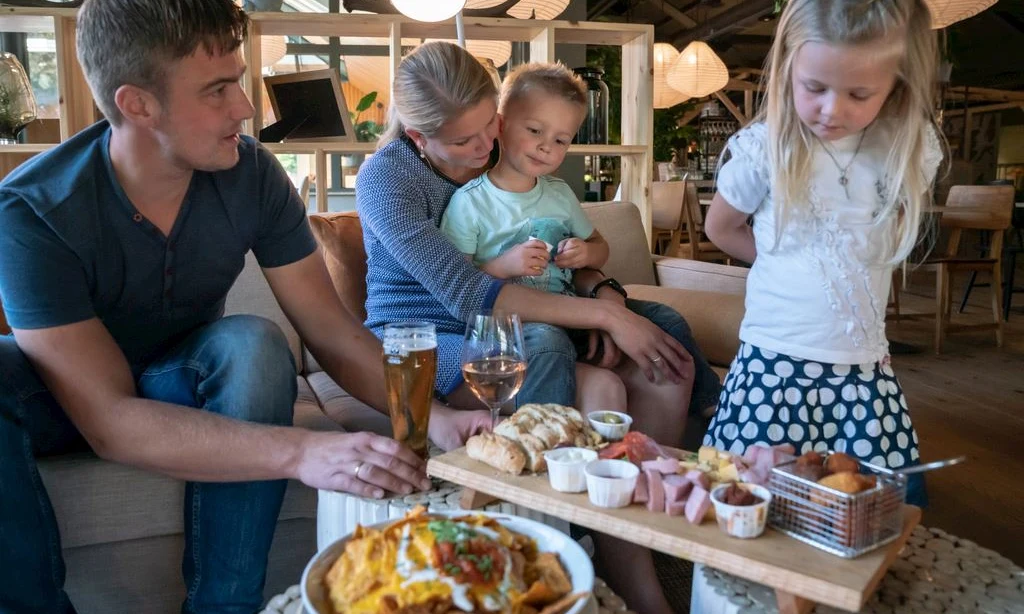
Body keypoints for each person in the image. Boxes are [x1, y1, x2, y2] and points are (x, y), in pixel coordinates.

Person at [0, 1, 490, 612]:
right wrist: (303, 451)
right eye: (218, 89)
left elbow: (331, 331)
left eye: (238, 80)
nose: (246, 106)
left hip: (176, 377)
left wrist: (434, 418)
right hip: (62, 395)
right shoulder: (32, 211)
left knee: (255, 342)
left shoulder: (250, 173)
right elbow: (108, 420)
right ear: (137, 104)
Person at [356, 44, 718, 614]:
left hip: (522, 310)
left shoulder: (508, 149)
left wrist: (603, 292)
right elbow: (472, 293)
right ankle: (548, 533)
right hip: (429, 332)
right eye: (463, 141)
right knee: (565, 350)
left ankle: (639, 534)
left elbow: (556, 244)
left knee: (662, 332)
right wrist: (605, 317)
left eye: (489, 127)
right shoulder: (387, 180)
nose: (484, 148)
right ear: (418, 137)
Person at [702, 0, 943, 507]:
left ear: (896, 85)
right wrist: (779, 262)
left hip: (862, 372)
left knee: (872, 511)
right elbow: (721, 228)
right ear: (789, 68)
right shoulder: (763, 148)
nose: (832, 110)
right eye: (814, 88)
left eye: (859, 93)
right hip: (772, 364)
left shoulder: (904, 149)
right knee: (750, 502)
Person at [440, 62, 722, 437]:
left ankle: (714, 407)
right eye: (535, 130)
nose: (546, 146)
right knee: (551, 343)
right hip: (517, 326)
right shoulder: (470, 202)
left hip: (574, 311)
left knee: (665, 318)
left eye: (560, 139)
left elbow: (599, 247)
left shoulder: (558, 193)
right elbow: (461, 285)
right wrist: (503, 264)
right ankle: (546, 440)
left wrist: (586, 255)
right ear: (502, 125)